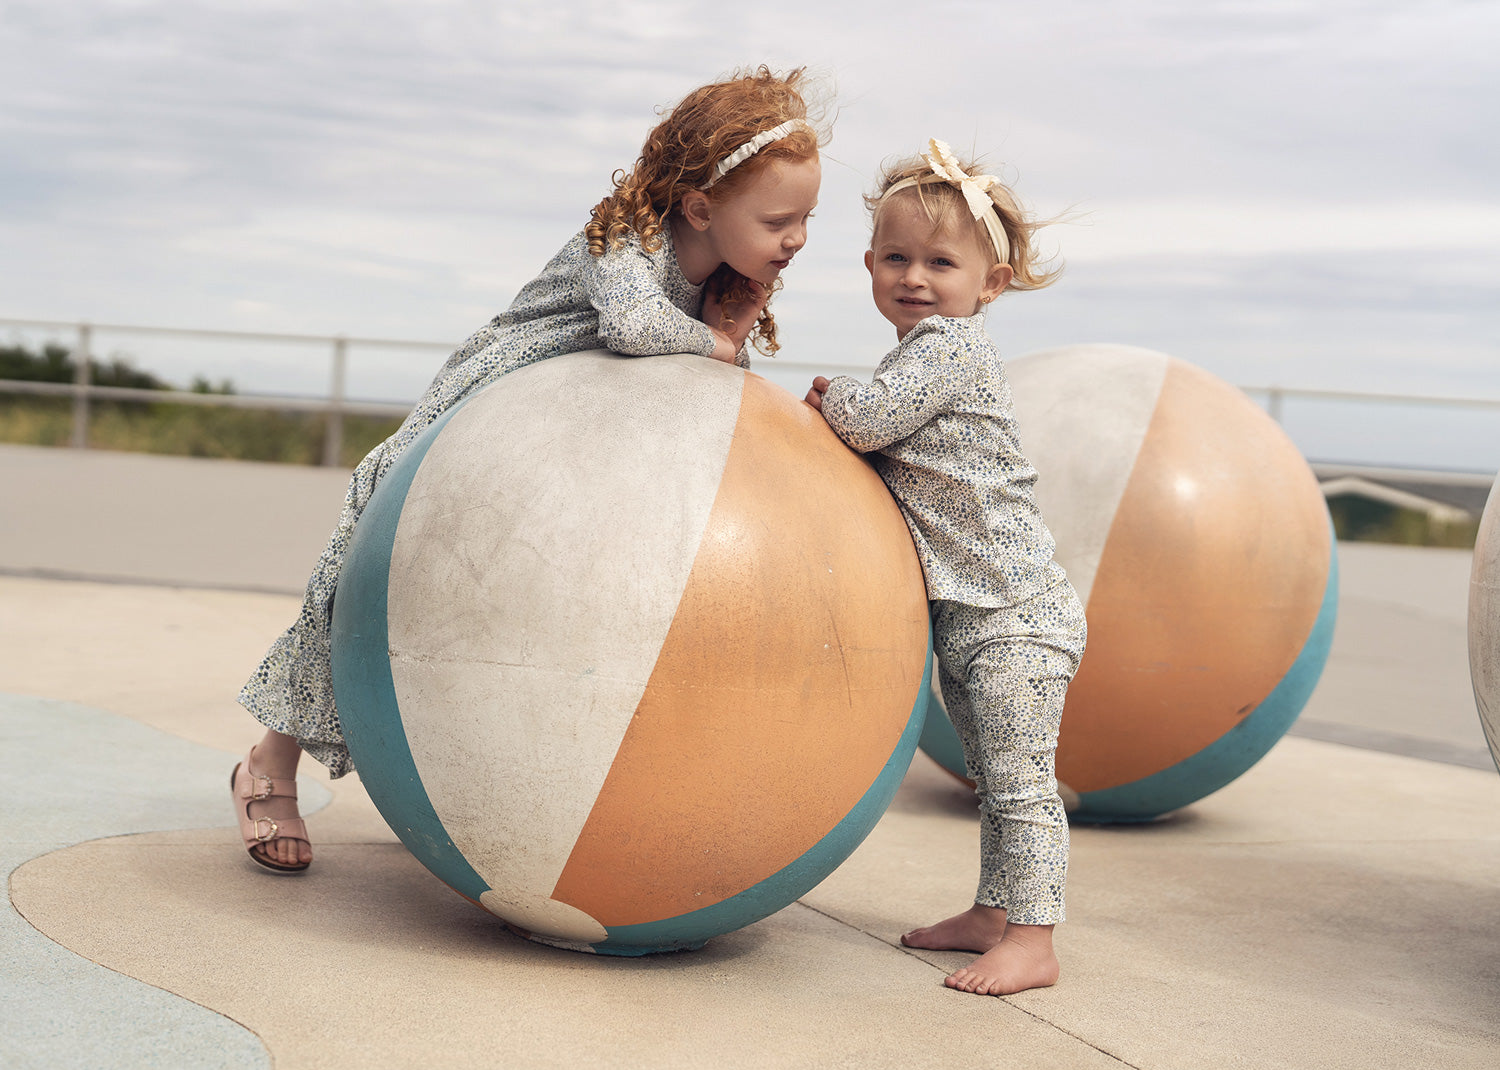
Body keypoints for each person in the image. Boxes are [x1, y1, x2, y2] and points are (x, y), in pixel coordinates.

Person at [232, 67, 823, 874]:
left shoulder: (720, 285)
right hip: (485, 405)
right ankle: (269, 759)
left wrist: (730, 336)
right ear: (699, 208)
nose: (797, 238)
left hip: (573, 459)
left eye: (807, 219)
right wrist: (717, 342)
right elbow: (633, 327)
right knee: (362, 562)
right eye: (779, 220)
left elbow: (691, 403)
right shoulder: (625, 240)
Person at [805, 139, 1085, 997]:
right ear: (869, 265)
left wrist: (830, 397)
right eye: (896, 258)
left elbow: (869, 421)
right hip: (972, 612)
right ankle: (993, 913)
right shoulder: (919, 351)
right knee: (991, 778)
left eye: (940, 262)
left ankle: (1033, 940)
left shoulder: (949, 349)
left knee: (1020, 784)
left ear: (989, 284)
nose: (915, 278)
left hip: (1014, 612)